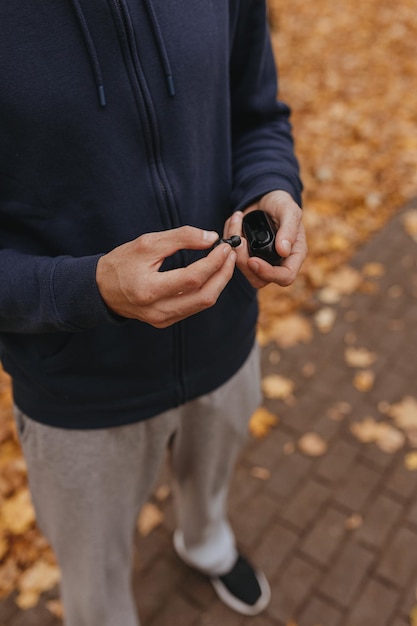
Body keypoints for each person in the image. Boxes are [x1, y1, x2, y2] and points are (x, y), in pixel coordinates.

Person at [0, 1, 306, 625]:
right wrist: (87, 289)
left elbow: (257, 113)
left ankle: (205, 542)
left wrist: (269, 185)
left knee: (211, 483)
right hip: (78, 388)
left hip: (224, 339)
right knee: (96, 589)